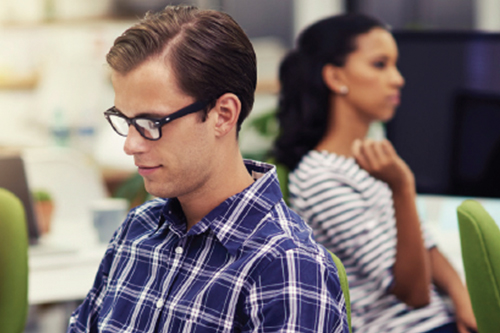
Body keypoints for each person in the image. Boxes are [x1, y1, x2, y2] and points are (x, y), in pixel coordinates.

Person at [67, 5, 348, 333]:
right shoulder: (137, 231)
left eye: (150, 122)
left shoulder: (286, 265)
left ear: (223, 115)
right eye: (127, 121)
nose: (130, 145)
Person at [273, 13, 477, 333]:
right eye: (380, 64)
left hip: (442, 321)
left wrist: (462, 299)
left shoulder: (367, 162)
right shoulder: (320, 178)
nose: (398, 79)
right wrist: (402, 188)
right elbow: (415, 293)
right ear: (336, 77)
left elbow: (424, 242)